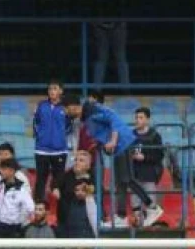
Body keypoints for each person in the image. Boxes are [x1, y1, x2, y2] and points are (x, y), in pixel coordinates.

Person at [62, 94, 155, 228]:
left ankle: (152, 206)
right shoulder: (85, 119)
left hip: (123, 142)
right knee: (120, 183)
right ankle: (121, 216)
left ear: (73, 106)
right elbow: (101, 134)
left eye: (65, 109)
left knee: (127, 179)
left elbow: (113, 119)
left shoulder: (92, 110)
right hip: (117, 148)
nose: (65, 112)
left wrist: (113, 140)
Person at [33, 79, 69, 204]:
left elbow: (69, 126)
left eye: (54, 88)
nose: (51, 91)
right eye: (50, 89)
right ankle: (39, 206)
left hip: (59, 150)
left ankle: (60, 207)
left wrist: (60, 139)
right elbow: (36, 123)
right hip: (42, 149)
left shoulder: (66, 107)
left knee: (58, 180)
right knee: (41, 179)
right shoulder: (41, 105)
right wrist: (40, 137)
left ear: (61, 91)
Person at [131, 107, 165, 227]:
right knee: (135, 201)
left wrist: (144, 157)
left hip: (149, 173)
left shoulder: (155, 135)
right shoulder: (131, 135)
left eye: (141, 118)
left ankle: (150, 224)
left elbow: (160, 154)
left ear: (147, 119)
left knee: (150, 200)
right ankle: (138, 224)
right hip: (134, 174)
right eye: (136, 117)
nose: (137, 120)